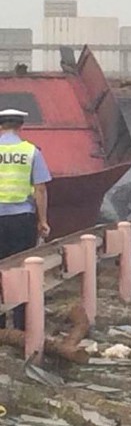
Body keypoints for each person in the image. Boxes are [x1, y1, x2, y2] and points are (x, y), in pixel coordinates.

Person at [0, 108, 52, 329]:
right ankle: (21, 325)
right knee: (22, 268)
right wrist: (43, 221)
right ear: (21, 127)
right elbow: (40, 189)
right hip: (22, 219)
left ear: (1, 127)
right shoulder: (31, 152)